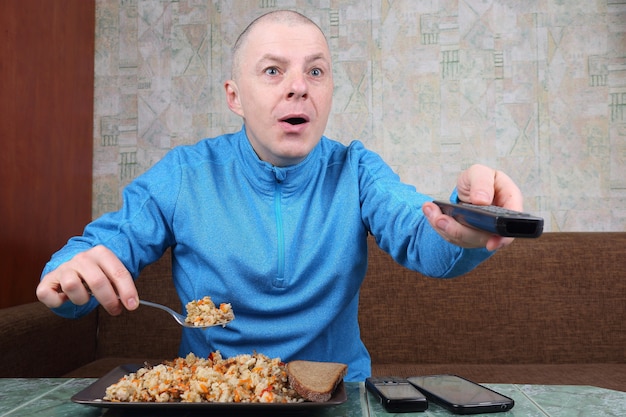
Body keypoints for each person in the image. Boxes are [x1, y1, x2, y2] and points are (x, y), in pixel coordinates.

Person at [36, 10, 523, 382]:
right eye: (273, 71)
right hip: (215, 392)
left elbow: (421, 236)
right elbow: (96, 253)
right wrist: (66, 276)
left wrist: (467, 227)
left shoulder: (357, 171)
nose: (298, 88)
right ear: (235, 96)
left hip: (338, 394)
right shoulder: (185, 174)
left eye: (316, 72)